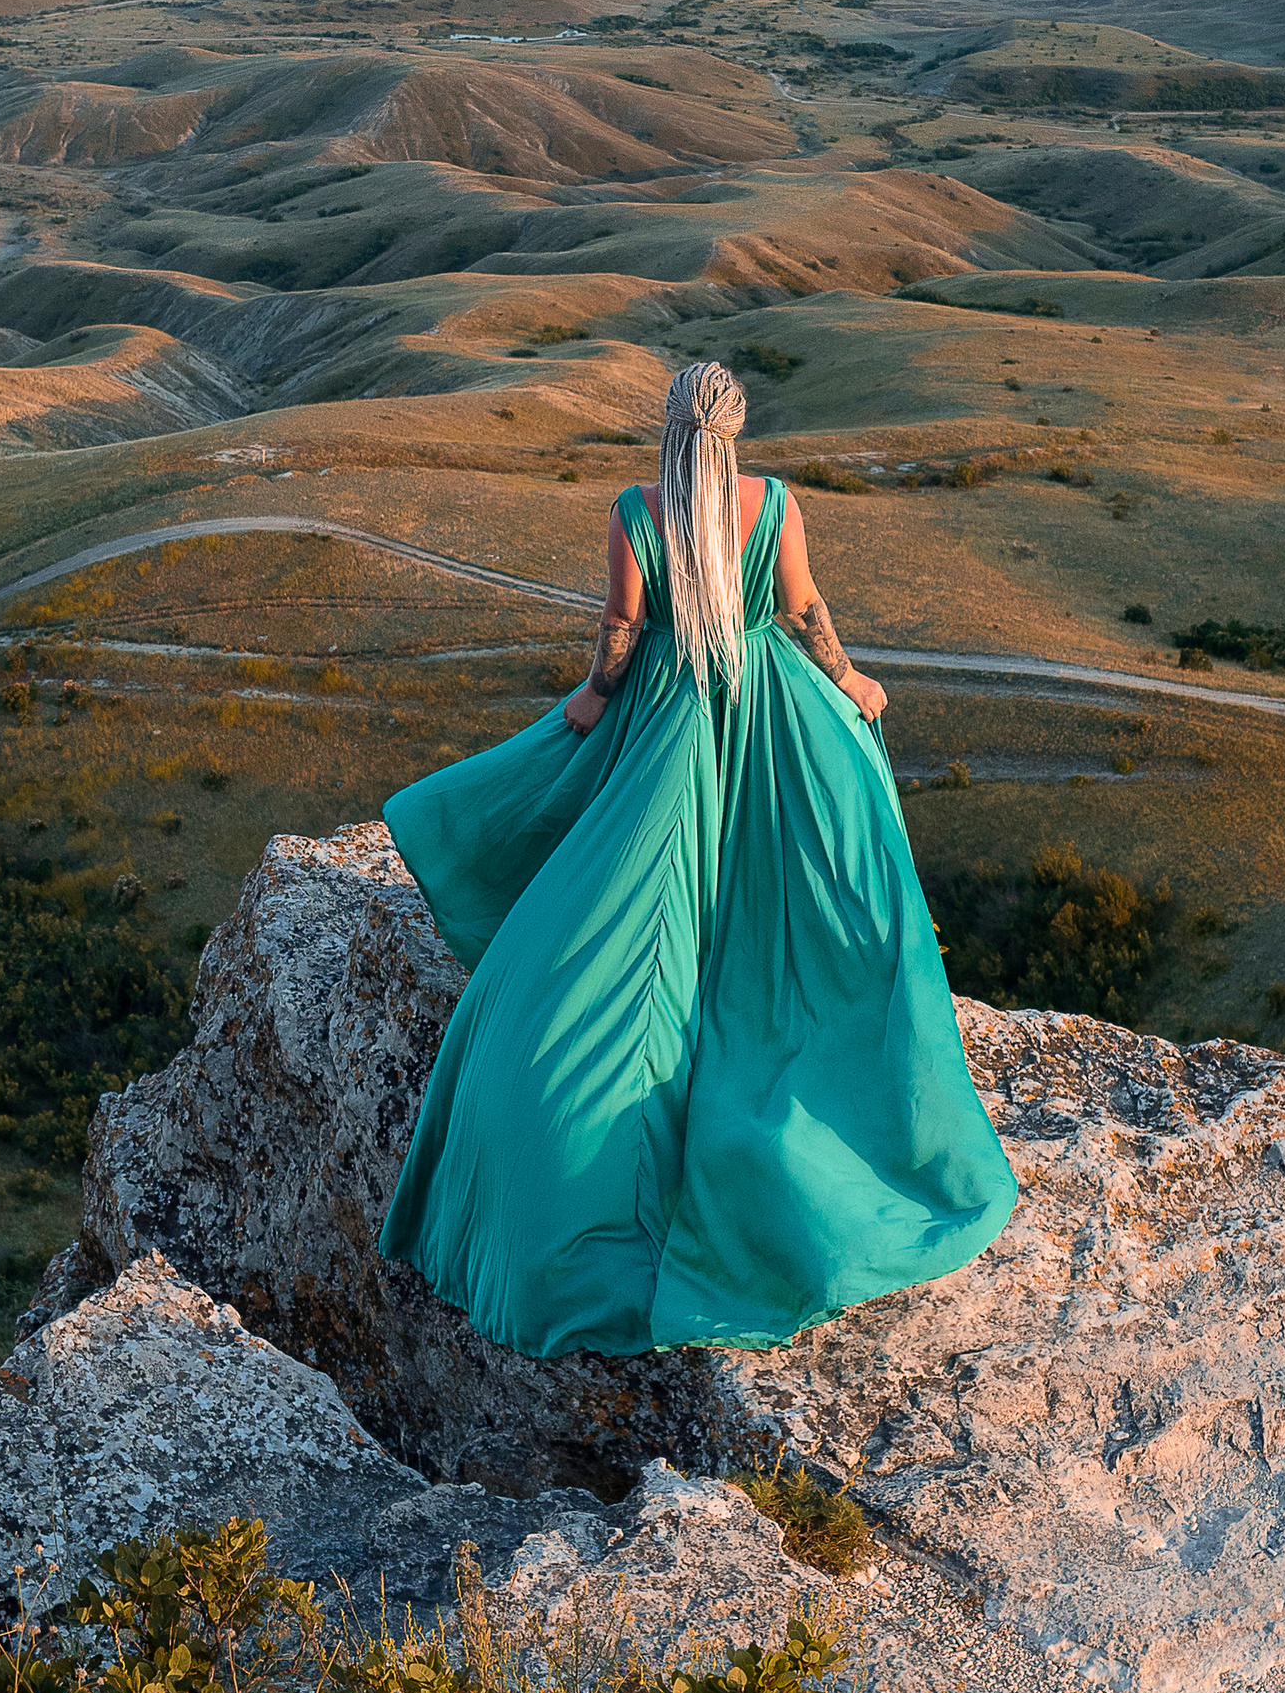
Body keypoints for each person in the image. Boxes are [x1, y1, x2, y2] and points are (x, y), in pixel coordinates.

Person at [378, 360, 1017, 1355]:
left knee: (625, 904)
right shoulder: (775, 505)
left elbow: (624, 631)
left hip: (673, 716)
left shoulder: (637, 509)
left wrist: (591, 696)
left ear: (671, 425)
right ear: (739, 426)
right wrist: (851, 681)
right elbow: (805, 612)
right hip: (770, 710)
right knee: (805, 889)